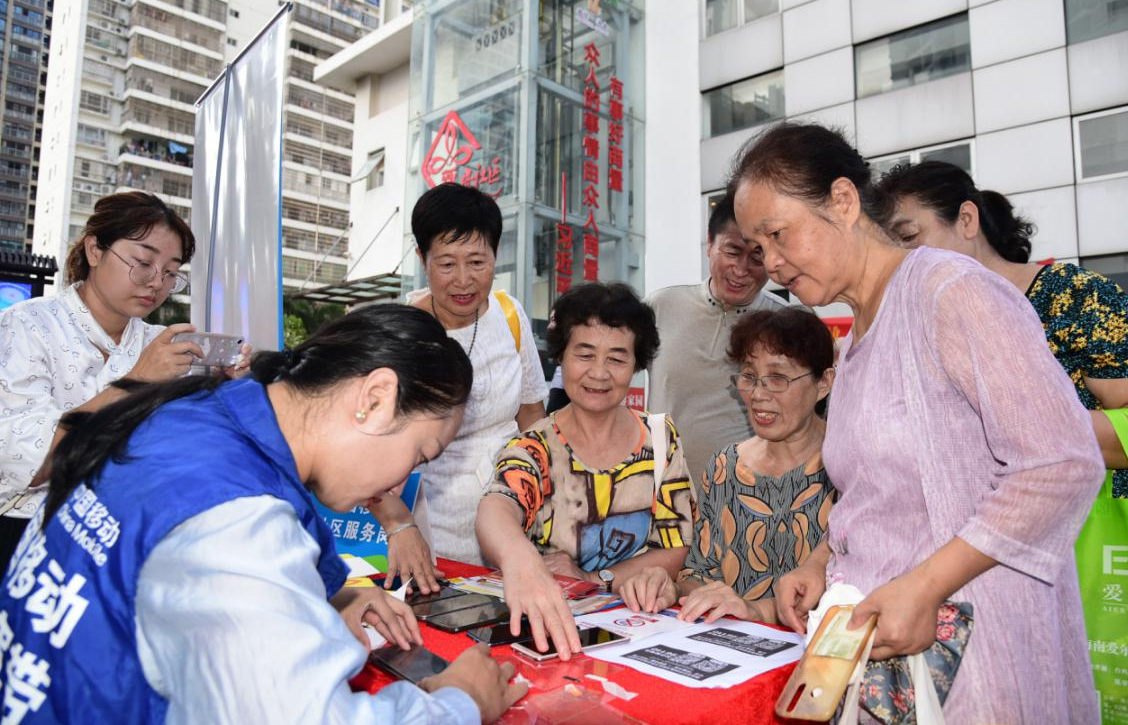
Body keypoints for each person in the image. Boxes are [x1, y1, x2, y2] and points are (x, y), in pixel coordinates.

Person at [731, 123, 1102, 724]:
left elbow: (1062, 462)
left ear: (844, 202)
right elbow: (885, 494)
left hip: (976, 656)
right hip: (888, 660)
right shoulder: (855, 340)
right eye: (757, 248)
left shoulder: (950, 292)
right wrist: (821, 561)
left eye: (777, 235)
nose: (771, 265)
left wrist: (925, 586)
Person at [0, 304, 526, 725]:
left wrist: (331, 593)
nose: (399, 483)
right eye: (421, 454)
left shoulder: (194, 414)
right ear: (375, 398)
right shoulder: (238, 523)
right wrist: (458, 703)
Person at [0, 192, 249, 569]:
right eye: (143, 262)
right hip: (26, 535)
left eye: (170, 273)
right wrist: (135, 380)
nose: (156, 283)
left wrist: (228, 391)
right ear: (95, 251)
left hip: (122, 538)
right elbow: (30, 465)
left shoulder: (161, 345)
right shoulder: (25, 325)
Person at [878, 160, 1128, 497]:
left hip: (1080, 524)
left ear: (966, 220)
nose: (901, 259)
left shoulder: (1074, 294)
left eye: (908, 237)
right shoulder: (914, 323)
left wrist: (1017, 425)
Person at [476, 282, 695, 660]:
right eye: (585, 354)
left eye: (616, 358)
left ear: (636, 364)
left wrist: (594, 580)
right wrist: (519, 559)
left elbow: (675, 545)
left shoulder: (661, 438)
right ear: (561, 357)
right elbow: (497, 508)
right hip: (550, 633)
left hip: (644, 633)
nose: (599, 373)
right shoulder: (534, 446)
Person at [370, 183, 548, 582]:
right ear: (422, 258)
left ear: (495, 256)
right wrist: (398, 524)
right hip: (430, 516)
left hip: (514, 510)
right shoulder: (400, 335)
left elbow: (533, 416)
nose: (464, 281)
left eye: (477, 262)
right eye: (447, 264)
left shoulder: (510, 315)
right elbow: (369, 448)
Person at [620, 307, 835, 625]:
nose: (758, 395)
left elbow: (856, 590)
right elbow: (702, 574)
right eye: (749, 377)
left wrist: (757, 610)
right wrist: (672, 588)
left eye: (777, 378)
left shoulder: (847, 468)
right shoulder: (726, 467)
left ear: (823, 383)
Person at [646, 192, 788, 498]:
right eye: (732, 251)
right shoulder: (661, 306)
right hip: (665, 497)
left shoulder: (788, 322)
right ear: (709, 243)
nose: (741, 269)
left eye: (757, 256)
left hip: (753, 501)